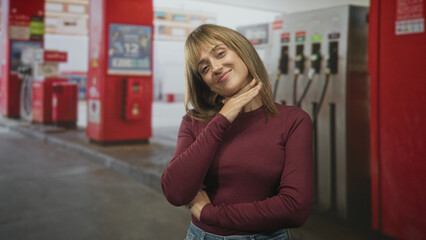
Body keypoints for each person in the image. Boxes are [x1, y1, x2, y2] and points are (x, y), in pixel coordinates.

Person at [161, 24, 313, 240]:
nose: (215, 67)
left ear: (243, 51)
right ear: (206, 85)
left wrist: (210, 213)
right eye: (204, 68)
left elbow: (294, 209)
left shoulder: (293, 120)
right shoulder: (194, 122)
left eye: (220, 53)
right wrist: (224, 116)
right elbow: (175, 192)